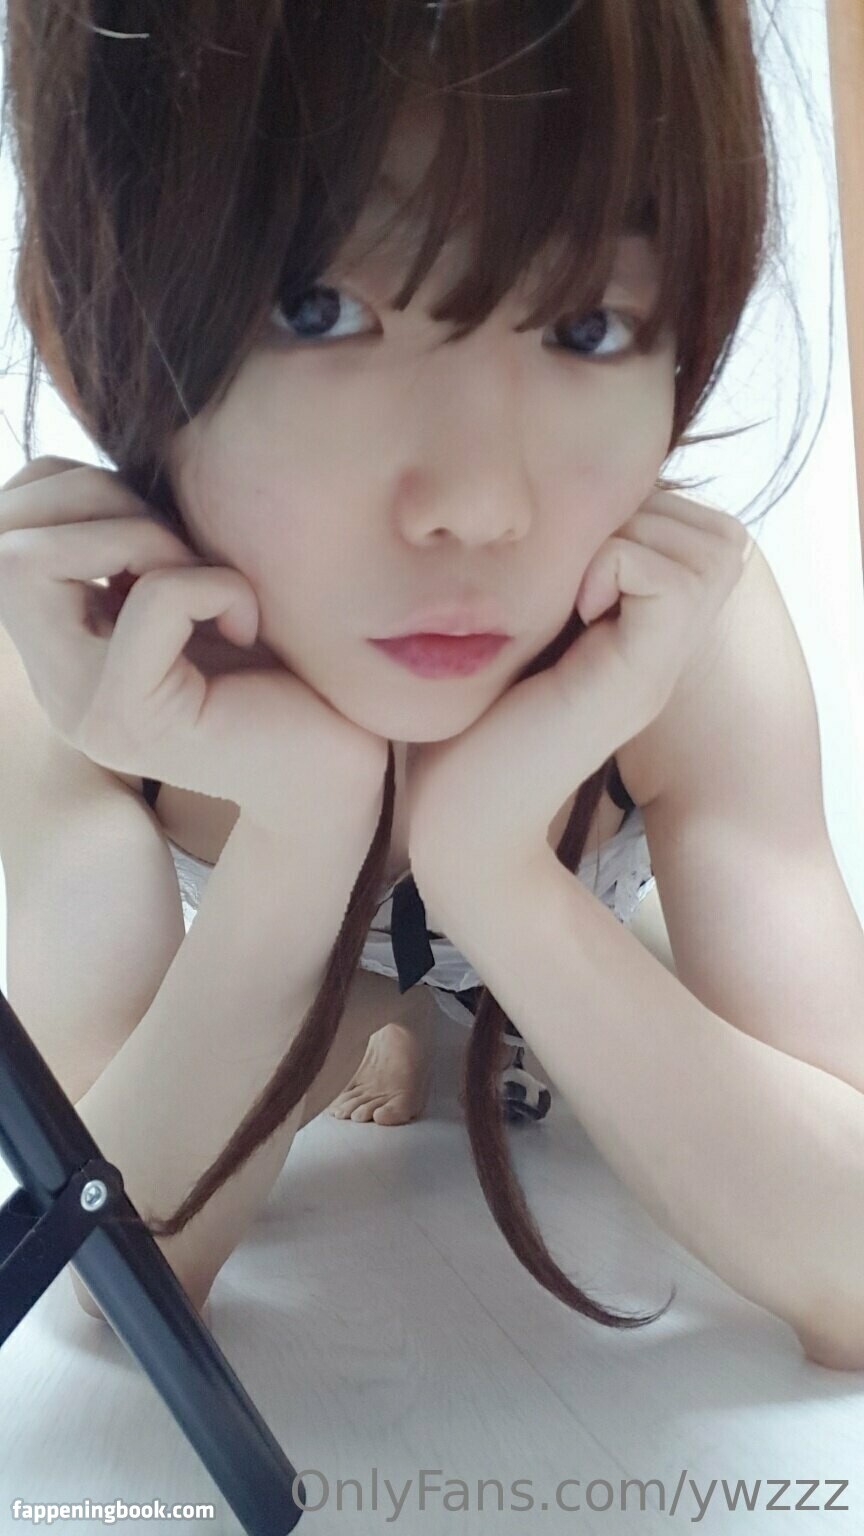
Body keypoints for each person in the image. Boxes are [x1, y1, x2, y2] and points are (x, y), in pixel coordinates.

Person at [2, 2, 862, 1363]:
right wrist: (306, 826)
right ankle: (399, 1012)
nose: (477, 504)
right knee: (350, 1015)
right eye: (318, 310)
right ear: (83, 316)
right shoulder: (89, 656)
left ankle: (445, 1004)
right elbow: (116, 1288)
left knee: (557, 1015)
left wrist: (495, 871)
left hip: (557, 957)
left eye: (589, 325)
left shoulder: (681, 630)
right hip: (323, 982)